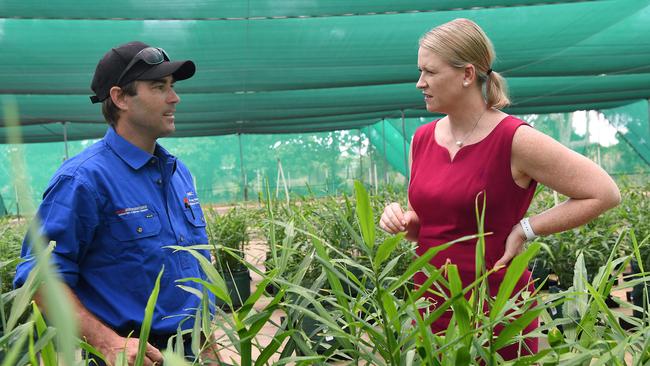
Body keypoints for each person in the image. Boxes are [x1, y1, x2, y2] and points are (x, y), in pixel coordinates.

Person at [379, 18, 620, 360]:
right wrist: (403, 222)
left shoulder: (514, 139)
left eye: (430, 72)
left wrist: (526, 229)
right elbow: (430, 222)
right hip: (431, 303)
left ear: (466, 74)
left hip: (495, 307)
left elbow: (604, 192)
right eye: (420, 72)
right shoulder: (422, 139)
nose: (420, 83)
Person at [14, 41, 220, 365]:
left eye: (172, 87)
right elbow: (39, 280)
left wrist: (208, 345)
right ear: (120, 97)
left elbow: (194, 269)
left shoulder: (179, 174)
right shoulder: (83, 180)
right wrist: (109, 342)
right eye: (159, 87)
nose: (174, 98)